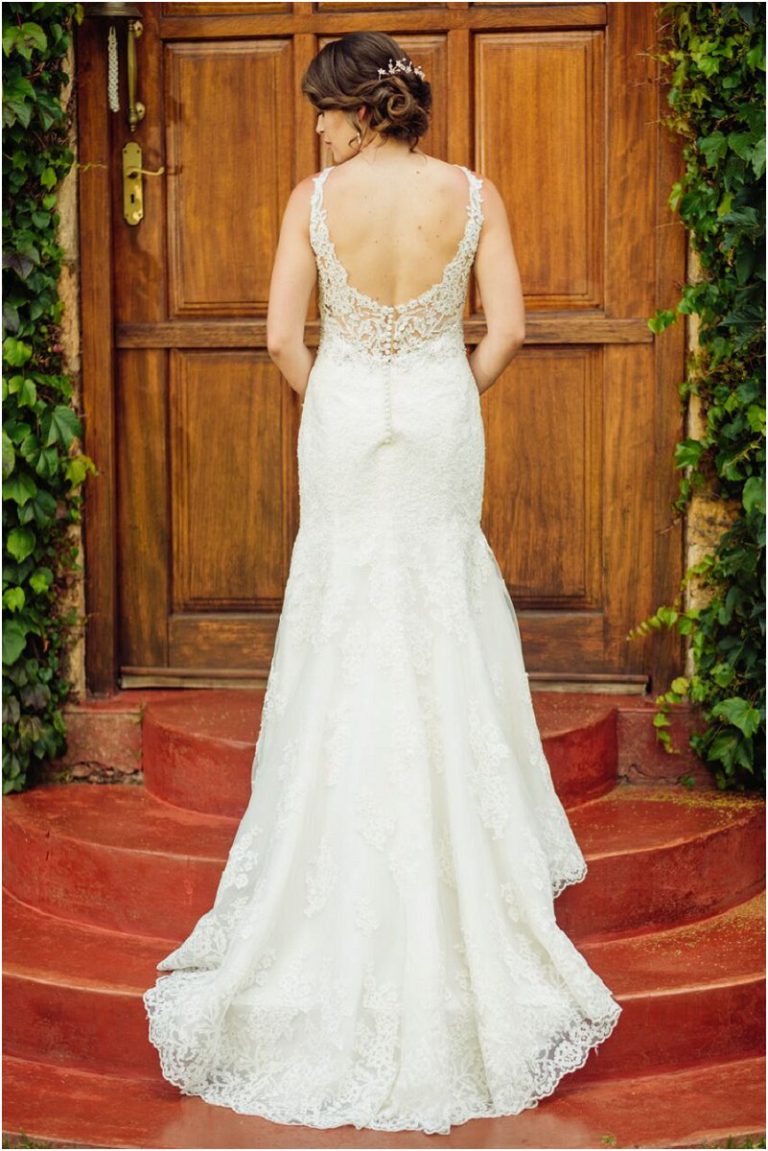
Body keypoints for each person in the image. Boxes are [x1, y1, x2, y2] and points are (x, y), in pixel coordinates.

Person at [143, 30, 622, 1136]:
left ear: (363, 109)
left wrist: (345, 392)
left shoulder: (313, 202)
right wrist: (444, 382)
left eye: (323, 107)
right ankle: (464, 862)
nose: (315, 127)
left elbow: (281, 339)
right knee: (439, 606)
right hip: (443, 414)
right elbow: (509, 330)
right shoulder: (474, 194)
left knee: (347, 615)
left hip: (346, 415)